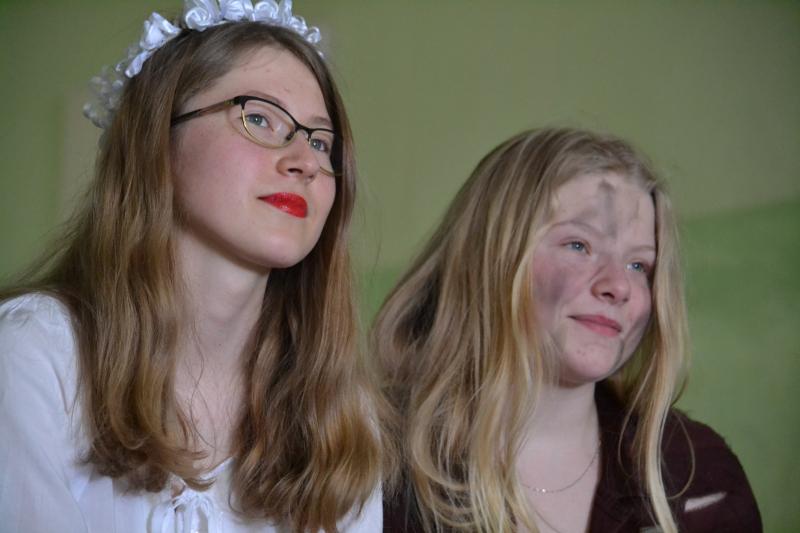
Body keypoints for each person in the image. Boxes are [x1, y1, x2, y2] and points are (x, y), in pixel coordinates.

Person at [0, 1, 390, 531]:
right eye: (259, 118)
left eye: (321, 142)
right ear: (159, 139)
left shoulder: (341, 417)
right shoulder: (33, 354)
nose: (305, 161)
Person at [375, 128, 761, 532]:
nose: (619, 286)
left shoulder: (701, 476)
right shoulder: (370, 466)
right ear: (489, 256)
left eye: (638, 266)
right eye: (579, 245)